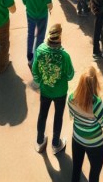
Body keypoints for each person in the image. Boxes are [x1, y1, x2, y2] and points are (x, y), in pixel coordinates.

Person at [32, 23, 74, 156]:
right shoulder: (64, 55)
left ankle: (39, 141)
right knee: (58, 116)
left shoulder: (40, 50)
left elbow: (35, 71)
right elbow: (70, 75)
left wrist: (41, 81)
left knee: (42, 114)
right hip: (60, 92)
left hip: (45, 90)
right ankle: (56, 144)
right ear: (60, 36)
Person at [68, 66, 103, 182]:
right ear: (95, 83)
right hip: (95, 144)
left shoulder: (71, 98)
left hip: (77, 139)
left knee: (76, 169)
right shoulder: (98, 104)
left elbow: (72, 116)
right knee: (94, 174)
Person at [21, 0, 53, 69]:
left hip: (30, 13)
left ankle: (29, 59)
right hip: (42, 16)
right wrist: (50, 7)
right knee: (40, 37)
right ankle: (37, 60)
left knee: (30, 34)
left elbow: (24, 0)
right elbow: (49, 4)